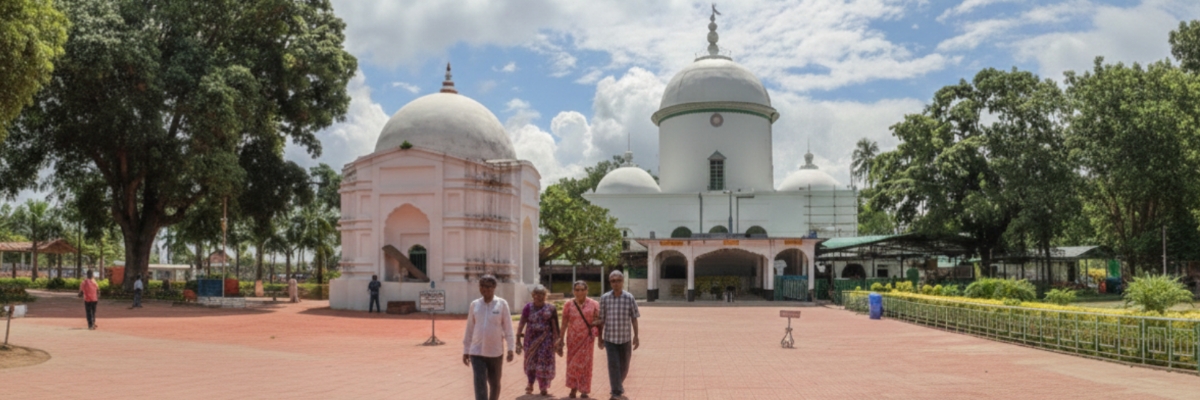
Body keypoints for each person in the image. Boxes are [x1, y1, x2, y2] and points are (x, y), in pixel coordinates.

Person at [462, 275, 515, 400]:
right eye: (482, 286)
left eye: (488, 286)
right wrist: (466, 350)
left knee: (495, 384)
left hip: (495, 352)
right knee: (479, 384)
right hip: (477, 351)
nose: (484, 289)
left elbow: (508, 327)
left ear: (494, 287)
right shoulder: (475, 305)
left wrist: (511, 348)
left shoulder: (501, 304)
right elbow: (470, 328)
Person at [597, 270, 639, 400]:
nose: (616, 283)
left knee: (624, 366)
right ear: (610, 283)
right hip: (610, 339)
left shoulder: (629, 297)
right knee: (613, 364)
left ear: (622, 281)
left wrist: (636, 336)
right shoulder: (604, 298)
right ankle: (616, 391)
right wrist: (600, 338)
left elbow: (634, 318)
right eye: (613, 281)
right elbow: (601, 319)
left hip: (625, 338)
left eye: (618, 280)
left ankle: (617, 385)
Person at [559, 280, 600, 399]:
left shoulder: (594, 304)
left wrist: (597, 332)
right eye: (577, 290)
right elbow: (564, 323)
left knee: (585, 365)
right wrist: (560, 339)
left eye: (582, 289)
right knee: (572, 364)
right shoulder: (568, 304)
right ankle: (573, 388)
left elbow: (598, 320)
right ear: (573, 291)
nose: (580, 292)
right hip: (572, 339)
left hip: (587, 338)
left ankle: (584, 389)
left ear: (587, 290)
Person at [517, 285, 560, 396]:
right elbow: (522, 322)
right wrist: (518, 338)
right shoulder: (528, 307)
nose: (539, 297)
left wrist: (557, 341)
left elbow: (555, 326)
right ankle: (530, 383)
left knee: (543, 362)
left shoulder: (551, 308)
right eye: (537, 294)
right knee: (530, 362)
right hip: (530, 339)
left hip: (546, 339)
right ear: (533, 295)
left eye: (542, 294)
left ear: (545, 296)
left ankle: (543, 386)